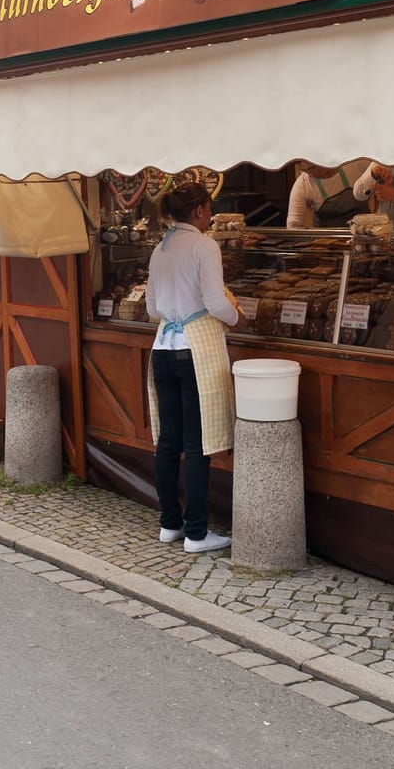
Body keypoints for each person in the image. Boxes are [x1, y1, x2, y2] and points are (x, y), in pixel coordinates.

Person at [143, 181, 238, 554]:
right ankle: (197, 533)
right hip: (195, 349)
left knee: (168, 441)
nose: (211, 215)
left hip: (164, 348)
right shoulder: (204, 245)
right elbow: (216, 301)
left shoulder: (160, 249)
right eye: (209, 209)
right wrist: (235, 317)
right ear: (199, 210)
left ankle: (171, 523)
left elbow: (152, 308)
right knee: (198, 444)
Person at [284, 158, 375, 229]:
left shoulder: (356, 164)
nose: (310, 174)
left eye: (312, 168)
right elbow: (293, 225)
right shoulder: (303, 184)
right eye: (305, 170)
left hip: (363, 237)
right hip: (325, 244)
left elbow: (381, 173)